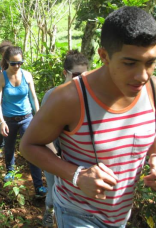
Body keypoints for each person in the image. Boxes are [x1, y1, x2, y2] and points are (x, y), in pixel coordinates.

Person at [20, 6, 156, 228]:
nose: (142, 75)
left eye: (150, 62)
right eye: (130, 63)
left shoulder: (155, 89)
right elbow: (28, 146)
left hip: (121, 216)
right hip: (78, 215)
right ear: (104, 56)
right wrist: (77, 175)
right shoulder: (71, 98)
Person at [40, 50, 89, 227]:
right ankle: (49, 211)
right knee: (54, 190)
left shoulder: (88, 96)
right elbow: (41, 133)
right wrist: (54, 156)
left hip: (77, 157)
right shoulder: (52, 95)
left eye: (85, 75)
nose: (81, 79)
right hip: (55, 152)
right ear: (65, 73)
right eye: (76, 75)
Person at [0, 46, 47, 199]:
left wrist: (38, 116)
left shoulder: (27, 75)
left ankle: (38, 186)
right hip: (9, 119)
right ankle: (10, 171)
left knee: (31, 150)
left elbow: (33, 97)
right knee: (9, 147)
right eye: (13, 64)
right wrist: (1, 122)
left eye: (20, 63)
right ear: (7, 62)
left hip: (26, 118)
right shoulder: (1, 77)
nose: (17, 66)